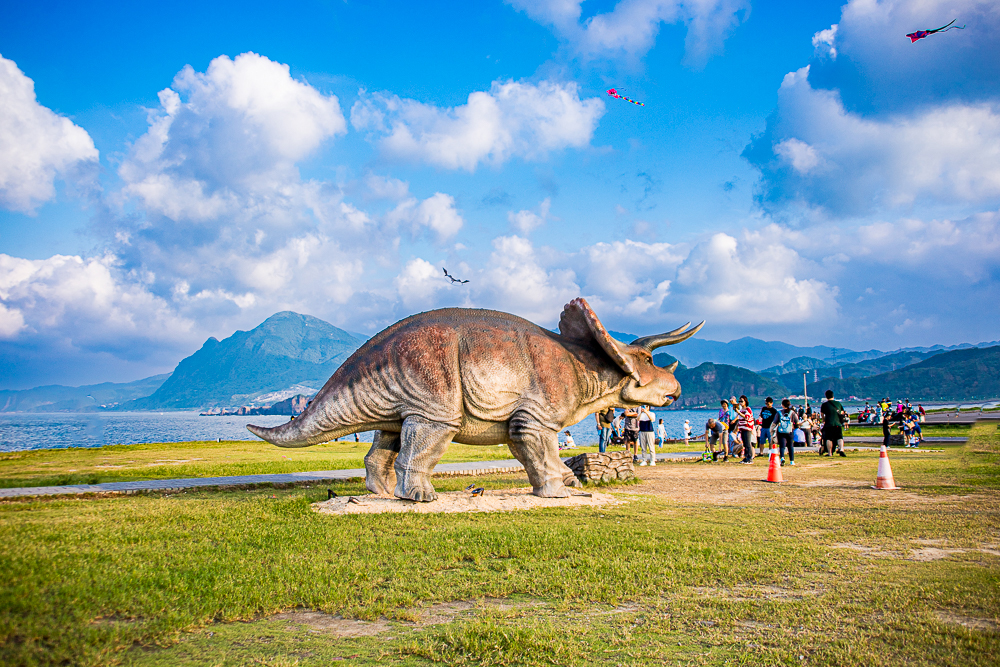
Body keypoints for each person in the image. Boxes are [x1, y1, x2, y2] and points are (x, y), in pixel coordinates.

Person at [820, 389, 847, 457]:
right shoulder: (838, 403)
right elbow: (842, 412)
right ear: (833, 396)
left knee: (829, 439)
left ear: (826, 396)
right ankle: (841, 449)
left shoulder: (824, 405)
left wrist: (824, 420)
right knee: (840, 437)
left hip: (829, 424)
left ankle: (830, 453)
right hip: (838, 423)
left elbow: (822, 414)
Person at [776, 398, 799, 466]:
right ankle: (792, 461)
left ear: (782, 405)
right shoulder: (792, 413)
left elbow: (775, 422)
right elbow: (797, 422)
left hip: (781, 431)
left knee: (782, 446)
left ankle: (782, 458)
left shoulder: (779, 412)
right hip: (790, 431)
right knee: (790, 446)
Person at [736, 395, 756, 464]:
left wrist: (738, 413)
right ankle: (746, 457)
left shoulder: (748, 409)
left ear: (745, 402)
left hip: (747, 428)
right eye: (739, 401)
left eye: (742, 401)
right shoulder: (741, 410)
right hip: (742, 428)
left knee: (748, 443)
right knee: (744, 444)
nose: (740, 403)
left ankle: (750, 458)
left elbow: (746, 417)